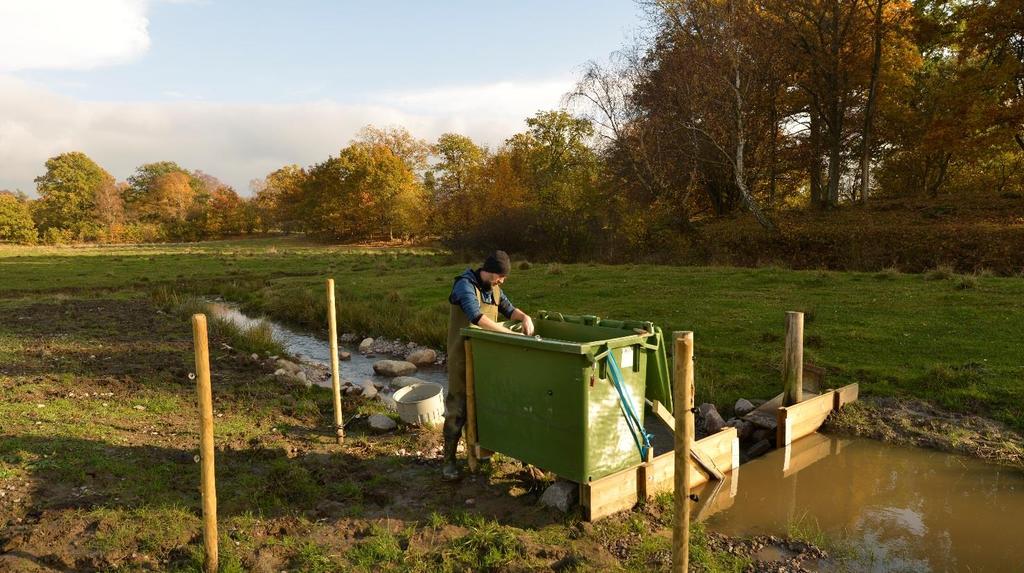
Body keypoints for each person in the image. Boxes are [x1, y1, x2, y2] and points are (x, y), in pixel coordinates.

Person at [442, 250, 534, 480]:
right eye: (501, 276)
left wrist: (525, 318)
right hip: (462, 356)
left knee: (486, 404)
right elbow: (476, 317)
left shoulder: (494, 289)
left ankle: (481, 452)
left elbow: (509, 309)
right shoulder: (464, 285)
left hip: (486, 358)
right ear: (491, 271)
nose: (502, 281)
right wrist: (508, 335)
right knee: (458, 407)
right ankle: (449, 461)